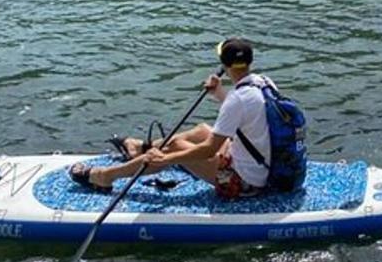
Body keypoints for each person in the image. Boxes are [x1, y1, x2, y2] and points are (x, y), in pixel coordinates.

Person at [68, 38, 273, 199]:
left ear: (224, 65)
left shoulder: (236, 100)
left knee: (174, 146)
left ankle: (104, 176)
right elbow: (245, 111)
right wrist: (218, 92)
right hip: (260, 165)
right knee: (202, 129)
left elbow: (209, 149)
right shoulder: (262, 83)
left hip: (244, 183)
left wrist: (166, 159)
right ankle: (140, 149)